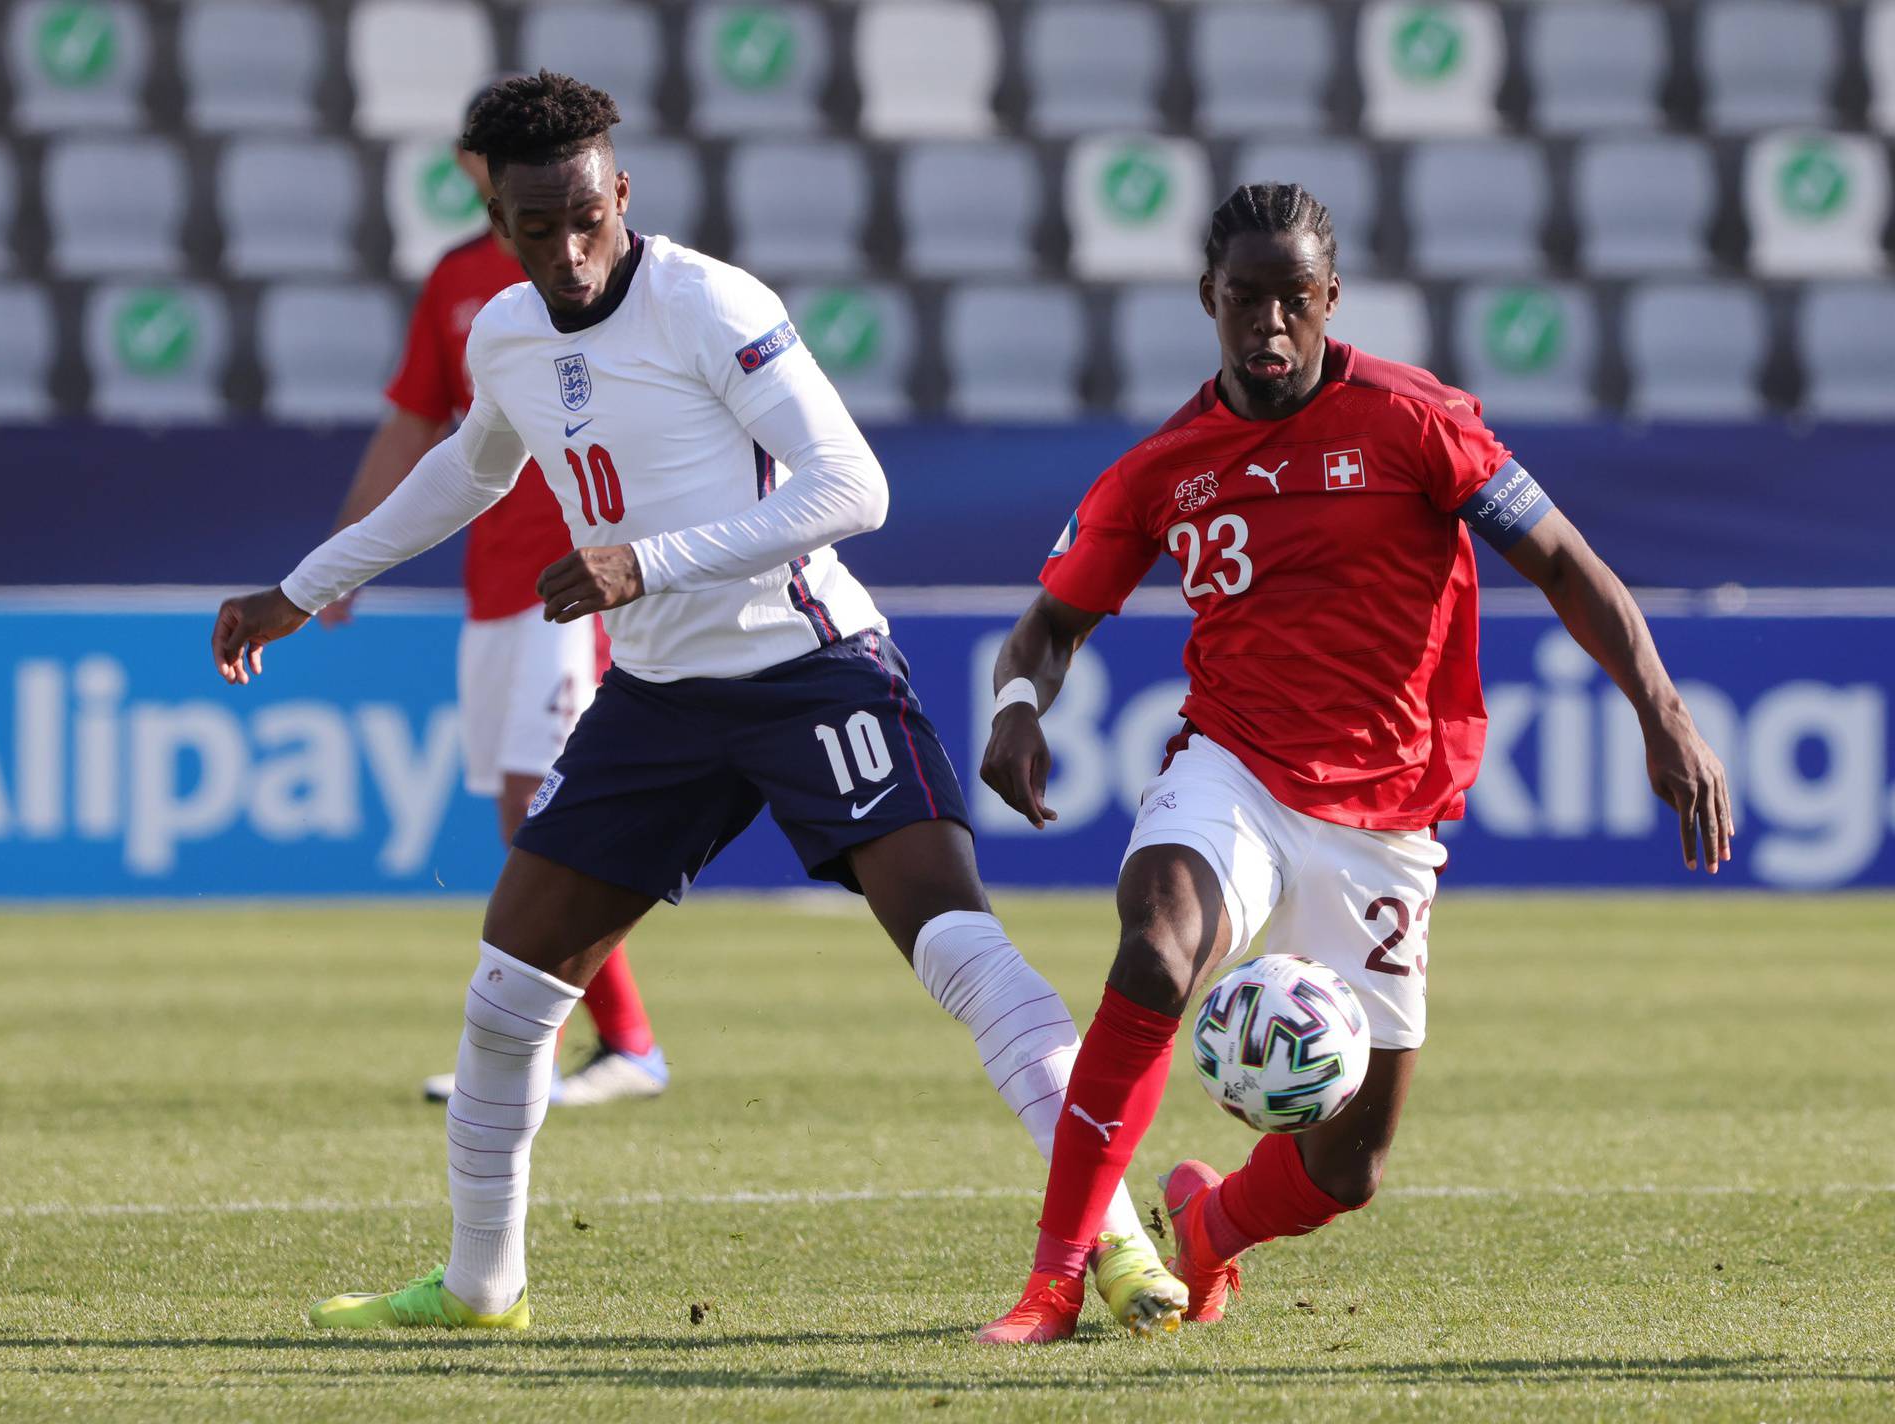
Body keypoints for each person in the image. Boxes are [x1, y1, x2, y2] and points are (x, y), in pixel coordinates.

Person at [210, 71, 1182, 1335]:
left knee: (954, 945)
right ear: (490, 212)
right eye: (530, 226)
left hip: (807, 664)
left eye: (584, 219)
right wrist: (302, 586)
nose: (564, 252)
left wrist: (644, 560)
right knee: (507, 994)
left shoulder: (710, 303)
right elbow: (467, 470)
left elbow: (852, 488)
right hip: (660, 698)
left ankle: (1115, 1248)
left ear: (621, 190)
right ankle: (479, 1285)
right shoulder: (502, 332)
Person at [973, 183, 1733, 1343]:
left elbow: (1568, 565)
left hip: (1386, 812)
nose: (1269, 328)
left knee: (1349, 1165)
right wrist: (1021, 706)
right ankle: (1059, 1276)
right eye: (1244, 302)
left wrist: (1663, 711)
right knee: (1155, 949)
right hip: (1232, 765)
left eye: (1293, 301)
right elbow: (1047, 627)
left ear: (1330, 298)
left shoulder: (1418, 420)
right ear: (1207, 302)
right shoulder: (1165, 467)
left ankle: (1213, 1224)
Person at [324, 94, 667, 1109]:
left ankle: (606, 1042)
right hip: (491, 586)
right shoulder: (460, 283)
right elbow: (417, 425)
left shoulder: (609, 269)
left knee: (544, 808)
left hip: (570, 586)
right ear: (474, 167)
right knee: (521, 812)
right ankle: (604, 1040)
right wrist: (344, 554)